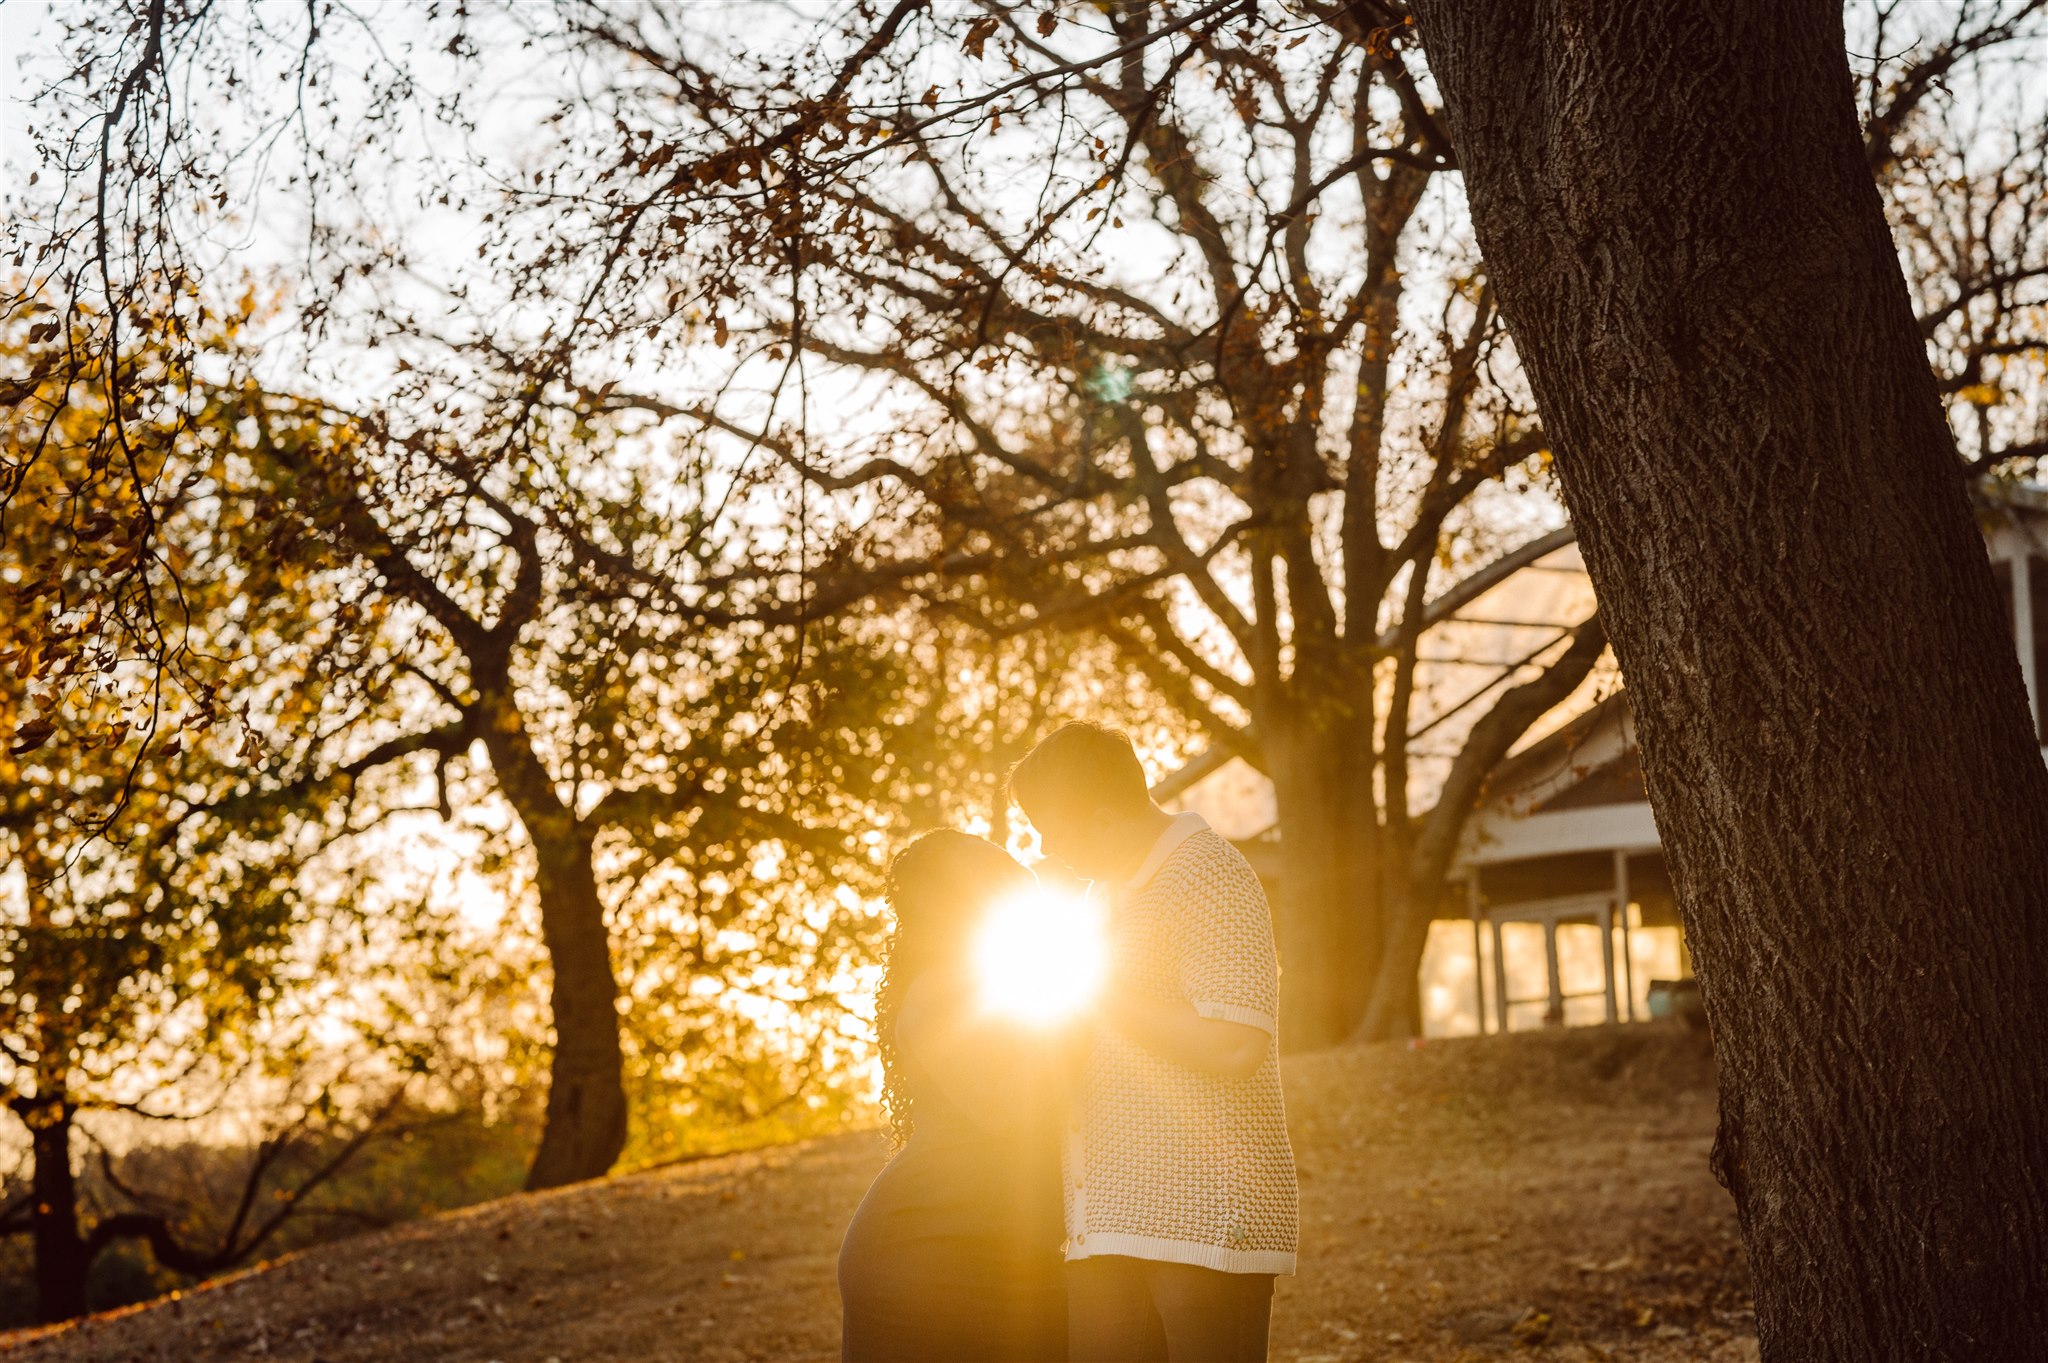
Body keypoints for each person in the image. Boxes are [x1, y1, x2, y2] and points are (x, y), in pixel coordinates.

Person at [1009, 722, 1299, 1363]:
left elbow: (1234, 1045)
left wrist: (1096, 995)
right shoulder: (1098, 898)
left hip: (1205, 1223)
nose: (1046, 847)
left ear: (1105, 817)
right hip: (1105, 1223)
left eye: (1050, 828)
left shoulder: (1208, 874)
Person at [838, 830, 1070, 1362]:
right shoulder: (941, 992)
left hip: (997, 1245)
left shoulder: (1004, 983)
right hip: (923, 1254)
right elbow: (1010, 1113)